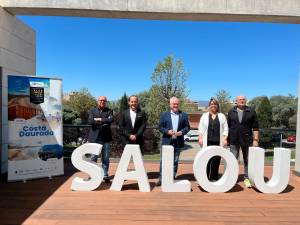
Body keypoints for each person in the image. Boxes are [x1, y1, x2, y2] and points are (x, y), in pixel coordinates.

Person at [157, 97, 190, 186]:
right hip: (167, 141)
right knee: (163, 161)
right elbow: (160, 127)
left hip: (178, 142)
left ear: (178, 104)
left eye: (176, 104)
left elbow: (187, 127)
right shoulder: (164, 115)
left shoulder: (184, 115)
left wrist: (181, 132)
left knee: (175, 161)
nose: (175, 105)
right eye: (173, 104)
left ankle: (172, 178)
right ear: (170, 104)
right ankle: (161, 179)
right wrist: (167, 131)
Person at [228, 95, 259, 188]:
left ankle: (247, 178)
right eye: (240, 99)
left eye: (243, 99)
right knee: (233, 160)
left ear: (246, 101)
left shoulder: (252, 111)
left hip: (247, 140)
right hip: (234, 140)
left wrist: (255, 140)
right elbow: (228, 127)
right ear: (236, 101)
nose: (242, 101)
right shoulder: (231, 112)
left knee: (247, 160)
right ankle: (232, 178)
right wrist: (226, 139)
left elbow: (256, 127)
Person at [198, 98, 228, 181]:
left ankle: (214, 178)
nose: (213, 105)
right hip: (207, 142)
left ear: (217, 106)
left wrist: (225, 139)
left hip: (218, 143)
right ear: (209, 106)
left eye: (215, 104)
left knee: (216, 161)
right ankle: (205, 178)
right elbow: (200, 128)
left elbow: (226, 129)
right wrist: (200, 138)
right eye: (211, 104)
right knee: (206, 161)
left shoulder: (222, 116)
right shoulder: (204, 116)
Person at [88, 96, 113, 183]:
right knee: (93, 157)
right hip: (94, 138)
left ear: (106, 102)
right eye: (101, 100)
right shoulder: (92, 110)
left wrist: (99, 119)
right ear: (98, 101)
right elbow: (90, 121)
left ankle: (105, 175)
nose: (102, 101)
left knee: (105, 158)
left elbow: (110, 120)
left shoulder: (109, 111)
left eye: (104, 100)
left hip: (106, 138)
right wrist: (104, 121)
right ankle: (92, 175)